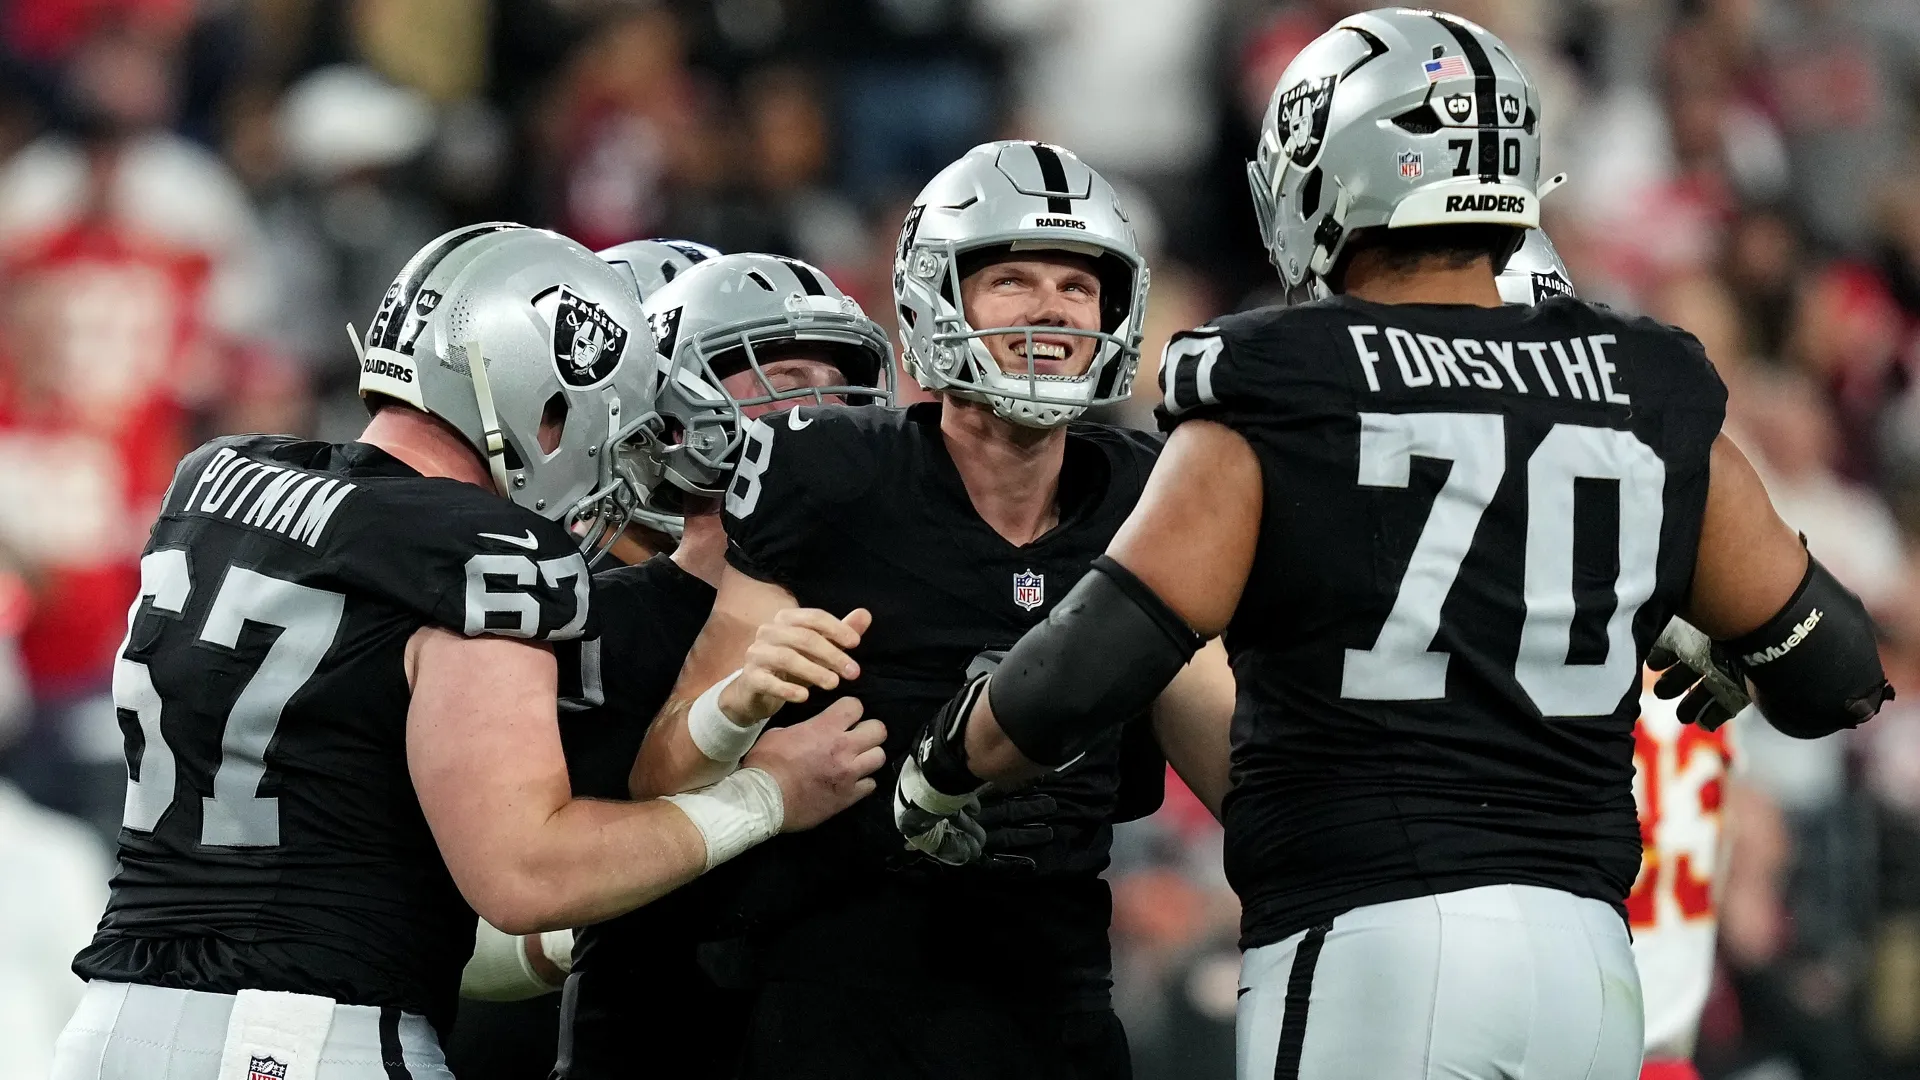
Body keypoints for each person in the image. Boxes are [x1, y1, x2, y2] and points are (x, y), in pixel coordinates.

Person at [889, 11, 1893, 1080]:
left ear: (1331, 175)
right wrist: (1683, 620)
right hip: (1591, 967)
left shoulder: (1284, 381)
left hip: (1379, 942)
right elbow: (1836, 676)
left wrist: (943, 770)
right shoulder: (1645, 384)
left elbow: (1087, 666)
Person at [50, 223, 885, 1080]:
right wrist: (767, 794)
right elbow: (524, 872)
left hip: (112, 1022)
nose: (606, 451)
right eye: (596, 413)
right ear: (531, 392)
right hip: (301, 1038)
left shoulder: (218, 479)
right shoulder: (485, 549)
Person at [630, 141, 1236, 1080]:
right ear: (933, 299)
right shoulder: (829, 471)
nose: (1050, 308)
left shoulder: (1148, 497)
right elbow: (658, 775)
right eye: (1012, 279)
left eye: (1079, 285)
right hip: (830, 1011)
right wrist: (740, 709)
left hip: (1056, 1010)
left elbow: (1243, 772)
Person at [557, 251, 896, 1080]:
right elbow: (539, 873)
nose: (823, 407)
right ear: (673, 404)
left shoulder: (892, 597)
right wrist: (761, 788)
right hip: (650, 1035)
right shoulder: (589, 612)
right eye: (781, 373)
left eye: (837, 378)